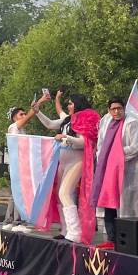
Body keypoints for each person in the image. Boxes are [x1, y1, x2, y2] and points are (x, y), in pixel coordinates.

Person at [93, 97, 138, 241]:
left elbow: (136, 146)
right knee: (109, 200)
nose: (116, 111)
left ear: (124, 108)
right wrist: (104, 156)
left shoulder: (132, 123)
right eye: (113, 109)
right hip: (108, 169)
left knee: (125, 204)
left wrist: (116, 154)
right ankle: (111, 237)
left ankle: (125, 238)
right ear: (109, 110)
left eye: (119, 108)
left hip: (127, 169)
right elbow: (101, 144)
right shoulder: (106, 121)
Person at [55, 94, 99, 244]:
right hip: (64, 161)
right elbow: (50, 123)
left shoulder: (84, 117)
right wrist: (37, 111)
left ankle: (75, 232)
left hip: (77, 160)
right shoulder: (69, 119)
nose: (68, 106)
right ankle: (66, 229)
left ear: (77, 104)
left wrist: (65, 138)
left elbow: (83, 142)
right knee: (61, 194)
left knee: (64, 193)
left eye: (71, 103)